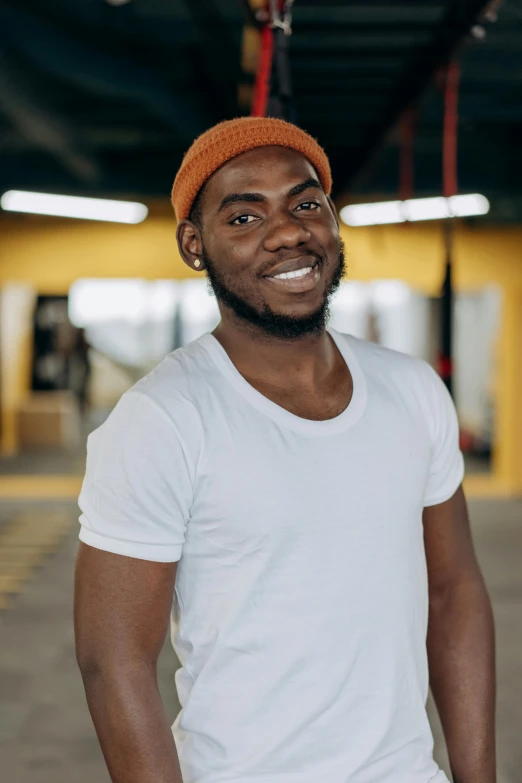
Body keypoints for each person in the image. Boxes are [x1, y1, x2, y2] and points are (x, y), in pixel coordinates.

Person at [74, 117, 496, 783]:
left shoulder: (413, 391)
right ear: (194, 243)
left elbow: (453, 592)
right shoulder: (163, 418)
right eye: (244, 217)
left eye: (306, 203)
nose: (288, 231)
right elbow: (114, 656)